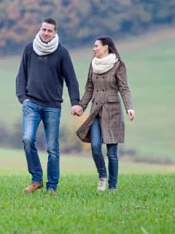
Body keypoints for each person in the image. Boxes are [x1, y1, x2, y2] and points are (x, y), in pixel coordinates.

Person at [15, 18, 80, 195]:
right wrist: (23, 98)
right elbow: (21, 75)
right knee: (28, 139)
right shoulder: (29, 48)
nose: (45, 33)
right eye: (43, 29)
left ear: (55, 33)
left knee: (52, 147)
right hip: (31, 103)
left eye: (49, 30)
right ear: (40, 29)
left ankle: (52, 186)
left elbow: (71, 80)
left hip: (52, 106)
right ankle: (36, 179)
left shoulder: (62, 52)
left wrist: (75, 102)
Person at [73, 36, 135, 192]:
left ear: (105, 47)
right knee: (95, 147)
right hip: (95, 111)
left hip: (112, 111)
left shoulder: (118, 65)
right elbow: (89, 89)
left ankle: (112, 186)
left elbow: (124, 88)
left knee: (112, 153)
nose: (93, 48)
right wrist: (81, 106)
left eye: (96, 46)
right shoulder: (93, 64)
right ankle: (102, 177)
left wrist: (129, 108)